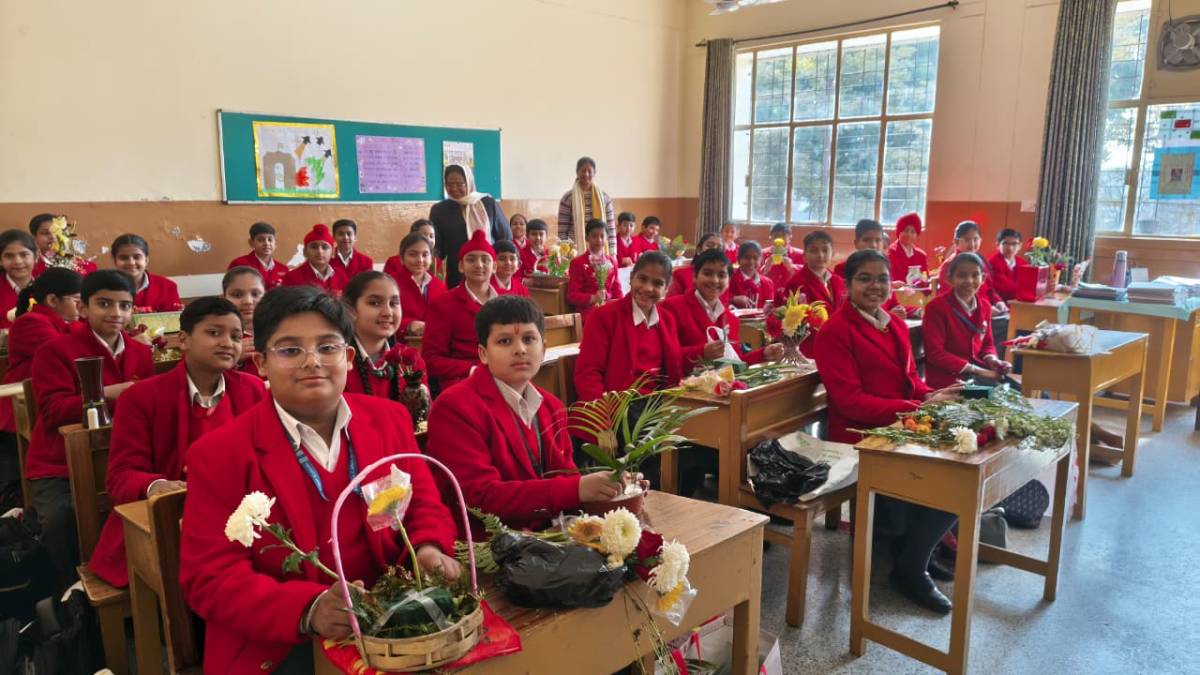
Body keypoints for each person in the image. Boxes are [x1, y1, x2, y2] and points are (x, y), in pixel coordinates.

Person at [179, 286, 459, 673]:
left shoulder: (389, 420)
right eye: (290, 350)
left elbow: (424, 504)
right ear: (261, 363)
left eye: (327, 347)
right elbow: (210, 577)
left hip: (393, 621)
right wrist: (309, 609)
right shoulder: (219, 453)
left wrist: (428, 548)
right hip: (282, 643)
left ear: (348, 358)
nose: (312, 362)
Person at [813, 250, 961, 614]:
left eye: (882, 279)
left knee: (962, 467)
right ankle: (912, 566)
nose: (875, 286)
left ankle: (915, 553)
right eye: (864, 278)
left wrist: (932, 396)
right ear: (847, 285)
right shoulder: (835, 331)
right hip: (859, 434)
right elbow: (849, 402)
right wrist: (914, 410)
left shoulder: (893, 323)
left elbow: (911, 381)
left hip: (897, 424)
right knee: (944, 475)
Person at [89, 297, 267, 587]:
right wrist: (157, 485)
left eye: (236, 336)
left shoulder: (253, 389)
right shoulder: (141, 397)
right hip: (174, 516)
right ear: (183, 340)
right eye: (214, 333)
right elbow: (121, 475)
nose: (227, 343)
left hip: (240, 515)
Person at [426, 296, 619, 534]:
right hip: (487, 542)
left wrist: (612, 489)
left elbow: (567, 476)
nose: (520, 350)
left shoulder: (553, 406)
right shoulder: (455, 407)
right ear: (483, 353)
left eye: (529, 339)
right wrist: (576, 489)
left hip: (550, 535)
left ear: (544, 349)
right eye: (505, 341)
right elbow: (480, 497)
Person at [26, 270, 155, 589]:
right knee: (62, 517)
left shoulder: (140, 352)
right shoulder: (55, 350)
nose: (116, 313)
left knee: (151, 507)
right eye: (104, 304)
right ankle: (69, 592)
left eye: (124, 305)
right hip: (59, 463)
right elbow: (53, 412)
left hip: (121, 458)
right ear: (83, 308)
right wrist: (111, 393)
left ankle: (136, 583)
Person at [0, 268, 81, 504]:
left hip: (43, 404)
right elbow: (70, 354)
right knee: (12, 492)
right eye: (77, 300)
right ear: (53, 300)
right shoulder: (31, 322)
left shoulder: (66, 322)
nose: (82, 307)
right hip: (18, 411)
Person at [574, 252, 684, 402]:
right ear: (631, 278)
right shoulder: (604, 317)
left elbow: (675, 369)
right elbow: (588, 374)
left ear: (666, 289)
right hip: (617, 407)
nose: (648, 288)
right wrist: (604, 412)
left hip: (660, 405)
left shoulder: (667, 320)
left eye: (657, 284)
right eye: (642, 279)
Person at [662, 249, 784, 370]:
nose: (714, 280)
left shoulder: (731, 319)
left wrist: (763, 354)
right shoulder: (672, 307)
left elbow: (734, 363)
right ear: (694, 277)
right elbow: (665, 357)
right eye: (707, 273)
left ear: (728, 281)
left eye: (721, 275)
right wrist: (701, 352)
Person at [922, 253, 1011, 390]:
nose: (969, 281)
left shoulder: (985, 306)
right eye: (962, 275)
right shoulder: (936, 308)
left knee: (1017, 393)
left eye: (975, 275)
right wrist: (978, 370)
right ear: (949, 279)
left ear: (983, 278)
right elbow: (935, 353)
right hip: (947, 382)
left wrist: (992, 360)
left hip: (978, 379)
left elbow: (987, 344)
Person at [422, 231, 497, 392]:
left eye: (485, 259)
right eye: (471, 259)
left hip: (505, 377)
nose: (479, 265)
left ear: (494, 266)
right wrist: (472, 370)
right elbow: (431, 359)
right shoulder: (443, 304)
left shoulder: (507, 302)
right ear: (461, 266)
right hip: (462, 383)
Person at [342, 271, 427, 400]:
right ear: (350, 309)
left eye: (394, 303)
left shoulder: (410, 360)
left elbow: (423, 410)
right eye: (375, 303)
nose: (388, 312)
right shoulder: (337, 361)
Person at [429, 164, 511, 289]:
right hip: (458, 272)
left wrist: (501, 264)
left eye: (459, 184)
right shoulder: (439, 210)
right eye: (449, 184)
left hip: (489, 270)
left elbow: (505, 237)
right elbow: (436, 246)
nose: (454, 188)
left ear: (469, 181)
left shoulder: (488, 203)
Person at [936, 221, 1006, 313]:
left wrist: (998, 302)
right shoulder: (949, 265)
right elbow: (950, 298)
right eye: (967, 240)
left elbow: (990, 289)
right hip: (962, 313)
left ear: (980, 240)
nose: (972, 244)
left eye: (975, 239)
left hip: (988, 309)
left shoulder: (981, 262)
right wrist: (984, 309)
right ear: (956, 242)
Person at [385, 232, 447, 338]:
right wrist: (408, 326)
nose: (420, 260)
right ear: (401, 258)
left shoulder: (439, 286)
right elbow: (384, 316)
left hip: (434, 342)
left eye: (425, 255)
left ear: (431, 258)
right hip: (399, 342)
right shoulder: (390, 284)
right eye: (413, 254)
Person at [566, 219, 623, 322]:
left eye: (602, 236)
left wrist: (621, 306)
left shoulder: (612, 262)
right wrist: (593, 298)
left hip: (610, 310)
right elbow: (572, 295)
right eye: (594, 236)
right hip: (588, 313)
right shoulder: (577, 263)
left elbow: (617, 291)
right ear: (587, 238)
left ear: (607, 238)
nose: (599, 240)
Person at [112, 234, 182, 312]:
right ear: (115, 261)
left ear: (146, 260)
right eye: (123, 258)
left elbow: (175, 317)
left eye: (137, 257)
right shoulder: (103, 287)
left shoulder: (167, 286)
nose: (131, 263)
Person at [558, 156, 615, 244]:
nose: (586, 174)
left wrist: (613, 251)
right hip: (575, 248)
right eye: (583, 171)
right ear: (577, 172)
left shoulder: (605, 198)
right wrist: (565, 250)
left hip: (600, 247)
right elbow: (562, 231)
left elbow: (611, 229)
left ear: (595, 173)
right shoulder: (568, 198)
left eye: (589, 171)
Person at [223, 266, 267, 378]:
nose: (248, 301)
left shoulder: (279, 330)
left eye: (255, 294)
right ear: (224, 298)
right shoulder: (215, 335)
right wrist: (232, 357)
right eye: (237, 295)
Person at [786, 230, 845, 312]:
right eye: (814, 250)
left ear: (832, 254)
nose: (820, 255)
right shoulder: (796, 283)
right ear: (804, 256)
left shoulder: (839, 281)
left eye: (825, 250)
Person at [281, 224, 349, 295]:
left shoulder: (340, 275)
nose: (320, 251)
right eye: (314, 247)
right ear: (305, 252)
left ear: (333, 252)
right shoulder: (292, 278)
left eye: (325, 247)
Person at [30, 213, 97, 277]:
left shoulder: (86, 267)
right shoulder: (29, 268)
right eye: (45, 233)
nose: (53, 237)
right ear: (34, 238)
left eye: (57, 232)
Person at [227, 221, 287, 289]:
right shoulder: (239, 265)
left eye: (270, 240)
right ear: (251, 243)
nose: (266, 243)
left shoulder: (283, 268)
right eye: (260, 240)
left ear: (275, 243)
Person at [0, 229, 37, 329]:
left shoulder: (49, 287)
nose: (18, 261)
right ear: (1, 260)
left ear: (36, 256)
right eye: (9, 256)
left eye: (24, 255)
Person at [667, 233, 723, 297]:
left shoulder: (726, 277)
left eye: (719, 248)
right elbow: (671, 301)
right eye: (709, 245)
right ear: (699, 250)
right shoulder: (680, 274)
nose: (714, 249)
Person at [728, 241, 775, 310]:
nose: (751, 262)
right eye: (747, 258)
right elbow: (720, 298)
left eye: (755, 258)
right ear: (738, 259)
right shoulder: (729, 279)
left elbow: (770, 307)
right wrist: (733, 299)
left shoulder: (767, 283)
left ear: (761, 260)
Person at [987, 228, 1028, 302]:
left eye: (1014, 244)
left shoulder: (1023, 263)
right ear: (997, 245)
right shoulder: (992, 262)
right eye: (1005, 243)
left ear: (1020, 246)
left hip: (1019, 301)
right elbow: (1005, 289)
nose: (1010, 248)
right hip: (999, 303)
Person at [887, 212, 929, 283]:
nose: (909, 235)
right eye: (906, 231)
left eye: (913, 232)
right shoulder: (890, 253)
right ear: (899, 231)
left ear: (916, 234)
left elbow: (925, 276)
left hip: (918, 290)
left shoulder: (921, 255)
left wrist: (924, 279)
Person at [761, 222, 802, 293]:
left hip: (792, 295)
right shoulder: (761, 254)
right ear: (770, 237)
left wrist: (792, 267)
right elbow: (751, 276)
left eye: (783, 235)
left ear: (790, 237)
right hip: (769, 294)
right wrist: (765, 268)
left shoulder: (800, 254)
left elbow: (808, 277)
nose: (779, 238)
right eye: (776, 235)